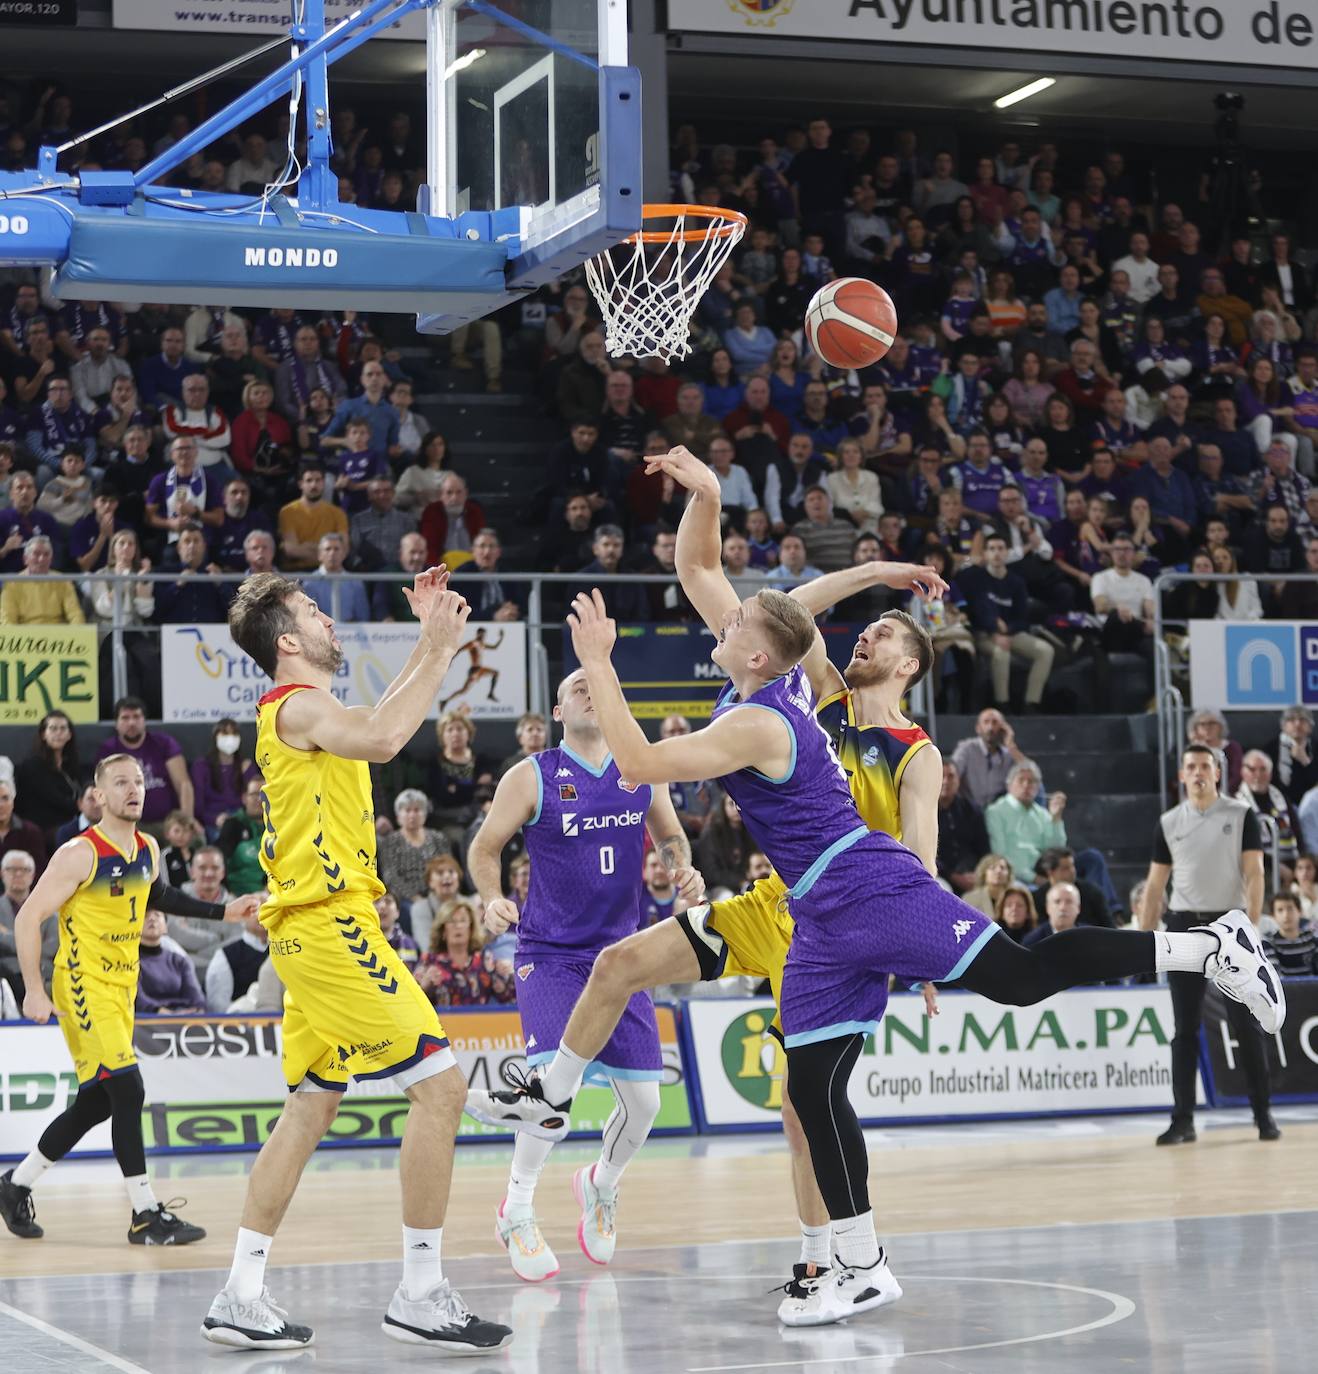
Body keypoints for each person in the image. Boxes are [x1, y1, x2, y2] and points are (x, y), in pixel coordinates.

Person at [470, 445, 1283, 1330]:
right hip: (812, 909)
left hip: (866, 885)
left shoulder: (764, 716)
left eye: (736, 623)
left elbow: (638, 759)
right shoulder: (789, 679)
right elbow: (704, 569)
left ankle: (1209, 946)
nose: (723, 623)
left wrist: (604, 661)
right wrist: (706, 491)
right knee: (813, 1089)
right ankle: (858, 1262)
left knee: (1015, 978)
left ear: (755, 646)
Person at [202, 567, 512, 1352]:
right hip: (332, 931)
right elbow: (380, 736)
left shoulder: (310, 711)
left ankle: (240, 1293)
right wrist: (440, 648)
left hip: (312, 930)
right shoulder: (300, 706)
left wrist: (425, 643)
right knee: (441, 1090)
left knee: (310, 1107)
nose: (329, 620)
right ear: (289, 641)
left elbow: (373, 722)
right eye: (314, 612)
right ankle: (419, 1291)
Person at [464, 668, 701, 1281]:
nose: (590, 691)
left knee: (646, 1105)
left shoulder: (639, 767)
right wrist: (490, 897)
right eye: (577, 687)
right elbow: (484, 846)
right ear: (557, 710)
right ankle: (516, 1210)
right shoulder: (533, 774)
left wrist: (682, 868)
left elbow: (671, 834)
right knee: (552, 1095)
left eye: (599, 684)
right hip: (551, 954)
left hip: (622, 959)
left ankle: (601, 1184)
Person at [0, 754, 257, 1245]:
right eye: (121, 782)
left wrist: (225, 912)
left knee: (97, 1102)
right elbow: (27, 917)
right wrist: (33, 988)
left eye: (139, 780)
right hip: (81, 985)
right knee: (129, 1090)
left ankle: (15, 1185)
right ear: (98, 796)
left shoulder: (147, 846)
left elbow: (156, 894)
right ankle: (144, 1214)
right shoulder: (79, 853)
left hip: (122, 988)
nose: (133, 789)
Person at [1139, 743, 1280, 1144]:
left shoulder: (1241, 815)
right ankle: (1182, 1120)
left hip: (1228, 927)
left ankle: (1263, 1115)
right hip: (1183, 927)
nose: (1198, 772)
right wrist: (1145, 939)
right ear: (1181, 775)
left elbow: (1255, 874)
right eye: (1191, 766)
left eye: (1205, 765)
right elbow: (1154, 885)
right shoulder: (1168, 822)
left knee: (1245, 1024)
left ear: (1217, 772)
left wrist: (1250, 928)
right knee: (1184, 1029)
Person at [94, 696, 193, 834]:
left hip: (168, 824)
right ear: (116, 724)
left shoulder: (164, 743)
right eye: (125, 718)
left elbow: (183, 784)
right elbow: (105, 791)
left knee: (197, 840)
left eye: (136, 717)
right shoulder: (109, 750)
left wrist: (186, 821)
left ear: (144, 720)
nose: (131, 722)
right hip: (128, 824)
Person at [14, 710, 82, 847]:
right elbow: (52, 797)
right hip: (42, 828)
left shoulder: (71, 765)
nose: (58, 733)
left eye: (63, 728)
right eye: (53, 728)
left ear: (69, 735)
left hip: (70, 822)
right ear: (43, 734)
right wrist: (80, 805)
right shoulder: (33, 765)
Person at [135, 908, 206, 1013]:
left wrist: (196, 1010)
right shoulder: (130, 962)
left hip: (183, 1017)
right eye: (145, 916)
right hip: (147, 1021)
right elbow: (137, 998)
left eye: (157, 915)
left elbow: (196, 996)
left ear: (165, 927)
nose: (152, 919)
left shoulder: (179, 961)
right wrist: (161, 1012)